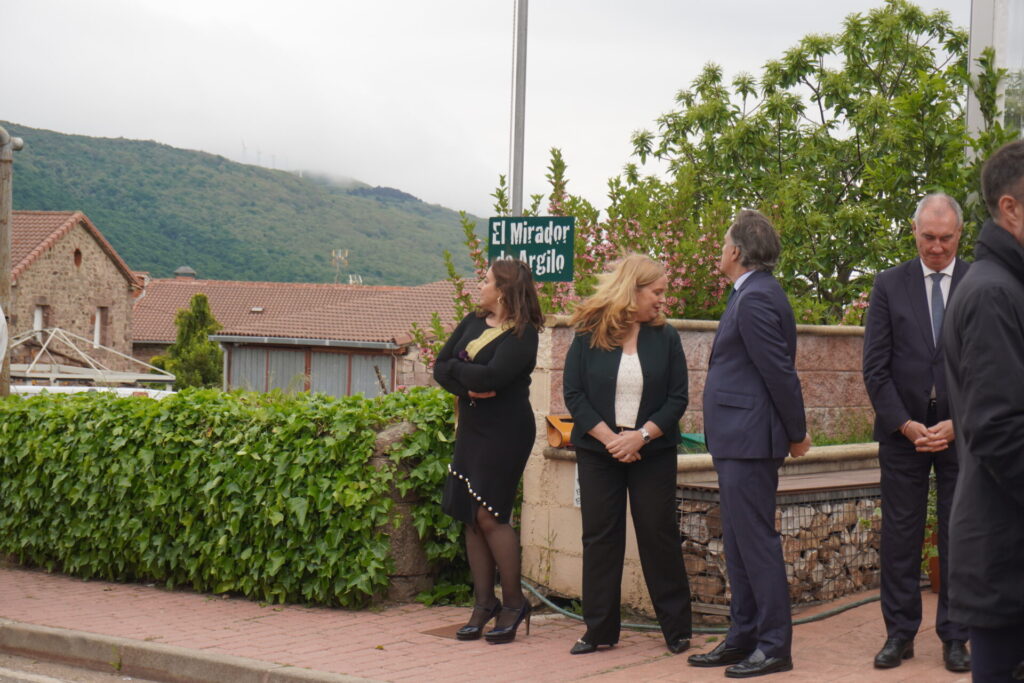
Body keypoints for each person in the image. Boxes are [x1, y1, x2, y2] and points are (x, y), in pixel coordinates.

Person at [688, 210, 810, 678]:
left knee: (755, 543)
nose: (720, 253)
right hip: (737, 441)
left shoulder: (757, 298)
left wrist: (796, 434)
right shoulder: (752, 294)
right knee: (738, 544)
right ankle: (743, 637)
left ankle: (775, 645)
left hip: (750, 443)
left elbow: (779, 373)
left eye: (723, 246)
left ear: (736, 252)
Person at [861, 193, 971, 672]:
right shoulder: (889, 285)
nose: (937, 247)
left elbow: (992, 366)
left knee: (959, 536)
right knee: (900, 538)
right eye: (929, 237)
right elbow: (874, 368)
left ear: (959, 236)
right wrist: (905, 425)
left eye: (946, 238)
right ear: (915, 233)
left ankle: (955, 636)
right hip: (902, 433)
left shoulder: (978, 284)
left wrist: (960, 422)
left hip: (960, 434)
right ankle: (899, 634)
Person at [562, 253, 692, 656]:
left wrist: (640, 437)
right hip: (599, 451)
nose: (662, 300)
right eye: (656, 292)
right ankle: (598, 630)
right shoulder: (588, 332)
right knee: (600, 537)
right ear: (632, 290)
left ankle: (676, 630)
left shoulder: (666, 337)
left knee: (658, 534)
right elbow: (574, 394)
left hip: (651, 450)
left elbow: (677, 398)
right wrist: (610, 440)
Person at [942, 140, 1024, 682]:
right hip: (1006, 563)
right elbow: (999, 430)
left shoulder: (1005, 285)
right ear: (1010, 208)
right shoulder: (995, 293)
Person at [433, 258, 544, 644]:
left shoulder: (523, 334)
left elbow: (494, 377)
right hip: (473, 426)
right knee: (469, 513)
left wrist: (460, 372)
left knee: (490, 514)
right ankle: (484, 604)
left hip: (506, 431)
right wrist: (468, 384)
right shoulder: (472, 321)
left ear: (503, 289)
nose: (480, 284)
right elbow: (439, 367)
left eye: (486, 279)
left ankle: (513, 603)